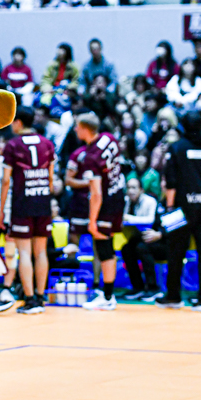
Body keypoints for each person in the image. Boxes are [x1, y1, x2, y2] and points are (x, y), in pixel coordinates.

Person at [159, 111, 201, 312]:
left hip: (182, 209)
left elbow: (171, 181)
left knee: (176, 252)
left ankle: (173, 297)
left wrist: (169, 207)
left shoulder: (177, 148)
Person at [0, 106, 56, 315]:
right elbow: (51, 177)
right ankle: (40, 297)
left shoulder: (13, 145)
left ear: (19, 122)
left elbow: (6, 181)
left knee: (24, 252)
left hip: (22, 204)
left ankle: (30, 300)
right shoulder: (47, 144)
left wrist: (2, 211)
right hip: (43, 202)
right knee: (40, 251)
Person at [68, 113, 125, 311]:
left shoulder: (91, 157)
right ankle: (107, 293)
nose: (75, 129)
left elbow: (96, 194)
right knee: (107, 247)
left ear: (85, 128)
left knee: (104, 248)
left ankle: (108, 296)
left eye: (77, 126)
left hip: (106, 204)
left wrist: (92, 221)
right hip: (118, 196)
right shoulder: (109, 138)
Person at [121, 178, 165, 301]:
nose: (131, 191)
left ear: (141, 190)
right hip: (141, 238)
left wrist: (129, 218)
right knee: (126, 249)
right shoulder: (127, 201)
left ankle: (153, 288)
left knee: (142, 248)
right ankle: (138, 287)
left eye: (134, 188)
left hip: (160, 240)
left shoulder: (151, 201)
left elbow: (150, 220)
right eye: (128, 188)